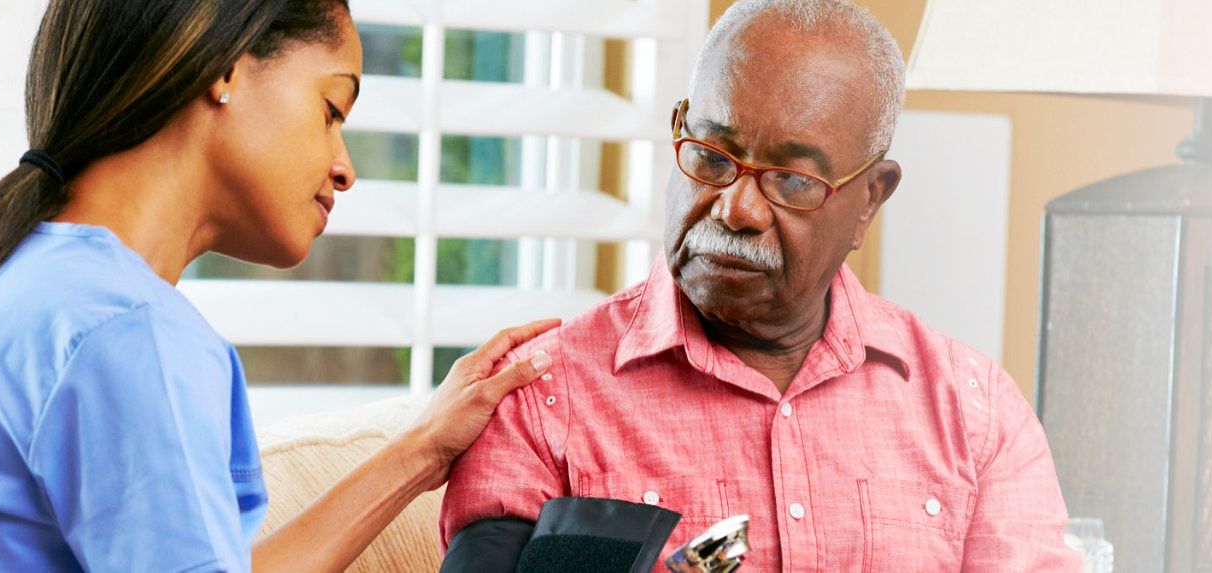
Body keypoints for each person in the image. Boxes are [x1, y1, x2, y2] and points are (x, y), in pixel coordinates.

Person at [0, 1, 558, 571]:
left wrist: (424, 450)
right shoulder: (124, 329)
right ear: (227, 69)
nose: (344, 165)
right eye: (332, 109)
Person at [439, 0, 1078, 571]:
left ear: (869, 201)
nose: (736, 209)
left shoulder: (975, 415)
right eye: (712, 157)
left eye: (793, 180)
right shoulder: (537, 399)